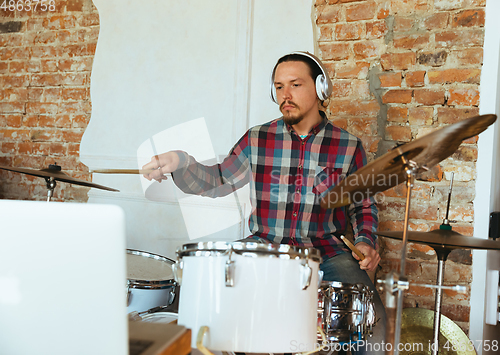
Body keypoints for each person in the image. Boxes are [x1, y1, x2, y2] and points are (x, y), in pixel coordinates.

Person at [143, 52, 386, 354]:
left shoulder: (349, 146)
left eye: (295, 85)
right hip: (264, 247)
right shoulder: (258, 139)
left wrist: (365, 242)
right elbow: (218, 180)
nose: (285, 95)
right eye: (279, 86)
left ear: (321, 88)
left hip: (328, 252)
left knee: (370, 324)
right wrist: (180, 161)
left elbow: (362, 205)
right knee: (207, 302)